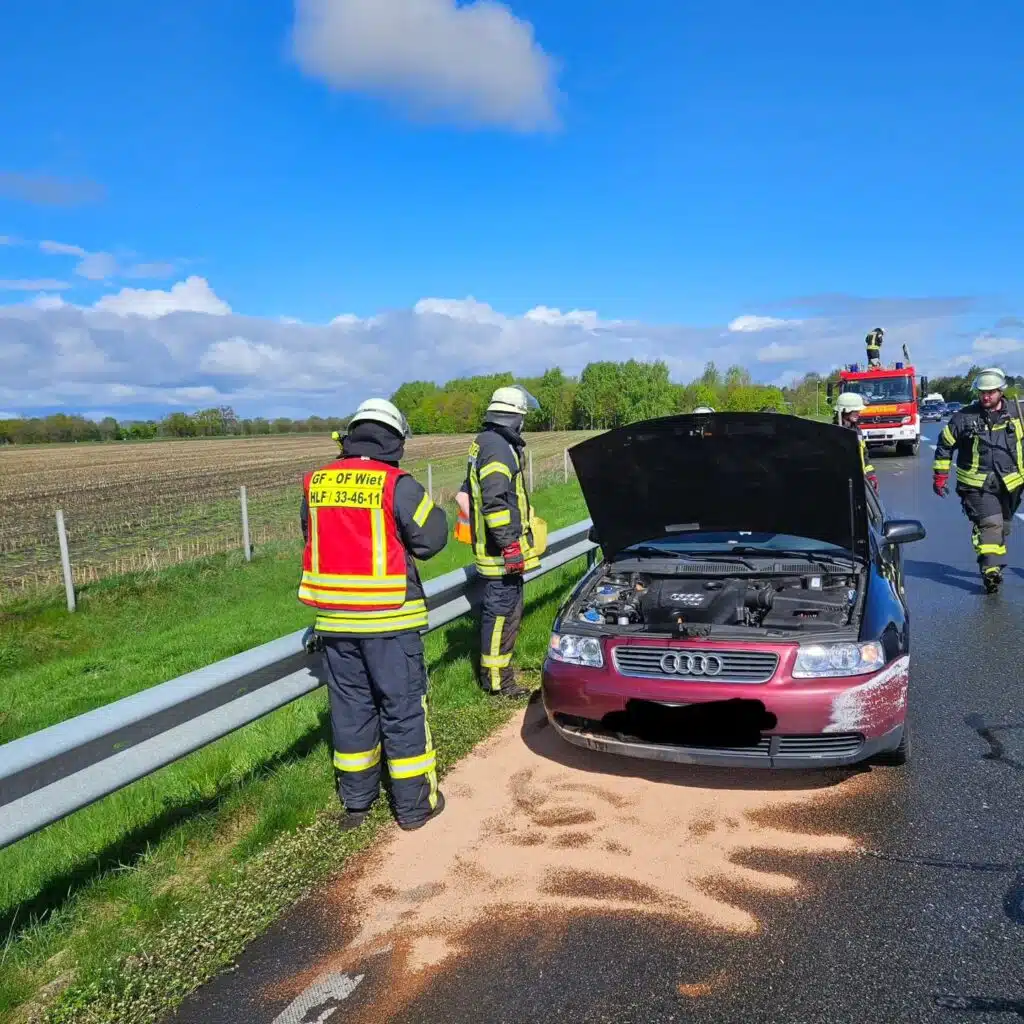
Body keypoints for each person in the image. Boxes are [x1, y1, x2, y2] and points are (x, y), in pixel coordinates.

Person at [299, 399, 449, 830]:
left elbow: (312, 538)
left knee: (350, 711)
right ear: (395, 438)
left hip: (335, 625)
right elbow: (431, 539)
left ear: (351, 435)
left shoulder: (316, 483)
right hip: (389, 622)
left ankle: (357, 805)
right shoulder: (394, 484)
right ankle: (414, 808)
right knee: (402, 710)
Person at [457, 385, 542, 699]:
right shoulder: (498, 448)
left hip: (496, 551)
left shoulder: (486, 442)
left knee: (505, 614)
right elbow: (495, 502)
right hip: (499, 555)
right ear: (514, 418)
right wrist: (510, 546)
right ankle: (497, 683)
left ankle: (500, 676)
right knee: (501, 616)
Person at [932, 368, 1024, 593]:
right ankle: (990, 571)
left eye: (991, 392)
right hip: (976, 485)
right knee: (991, 524)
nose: (986, 397)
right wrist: (940, 476)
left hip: (1011, 482)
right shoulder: (963, 417)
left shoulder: (1018, 412)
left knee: (1003, 527)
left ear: (1000, 391)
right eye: (982, 392)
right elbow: (945, 445)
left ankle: (992, 559)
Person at [833, 392, 879, 492]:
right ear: (844, 411)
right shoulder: (834, 432)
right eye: (855, 411)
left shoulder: (857, 431)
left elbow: (864, 455)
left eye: (858, 410)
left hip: (861, 481)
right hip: (844, 486)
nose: (858, 413)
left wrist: (870, 475)